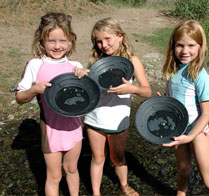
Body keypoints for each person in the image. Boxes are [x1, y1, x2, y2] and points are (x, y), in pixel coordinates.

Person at [75, 17, 152, 196]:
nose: (104, 45)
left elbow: (147, 91)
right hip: (95, 119)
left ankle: (124, 185)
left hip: (118, 122)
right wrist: (83, 75)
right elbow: (88, 92)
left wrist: (132, 89)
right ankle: (96, 192)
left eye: (108, 39)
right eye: (99, 41)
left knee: (117, 158)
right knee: (97, 158)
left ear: (120, 36)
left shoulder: (132, 61)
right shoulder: (97, 62)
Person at [16, 12, 87, 196]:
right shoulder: (35, 65)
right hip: (51, 130)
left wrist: (86, 77)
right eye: (51, 41)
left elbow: (89, 97)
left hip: (74, 128)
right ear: (41, 41)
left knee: (72, 169)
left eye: (62, 41)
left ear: (71, 41)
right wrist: (33, 90)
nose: (57, 46)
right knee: (54, 176)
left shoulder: (75, 66)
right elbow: (19, 97)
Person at [158, 20, 209, 196]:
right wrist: (162, 103)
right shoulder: (174, 70)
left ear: (200, 46)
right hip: (179, 128)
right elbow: (177, 101)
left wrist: (189, 136)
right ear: (173, 45)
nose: (185, 51)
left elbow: (206, 115)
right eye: (180, 45)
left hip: (196, 132)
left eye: (191, 45)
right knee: (184, 170)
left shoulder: (201, 76)